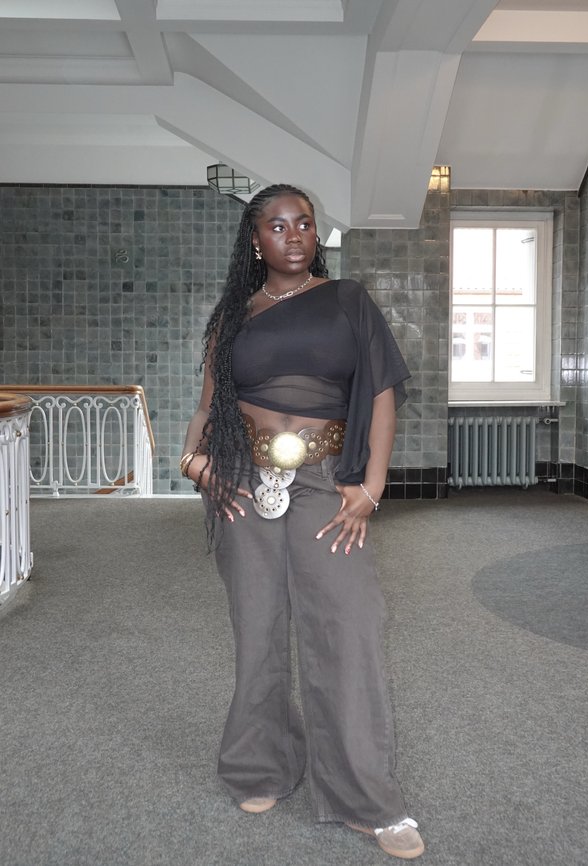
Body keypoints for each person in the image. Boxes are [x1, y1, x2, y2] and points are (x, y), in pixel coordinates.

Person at [180, 184, 424, 860]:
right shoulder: (233, 315)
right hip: (241, 482)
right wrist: (196, 462)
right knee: (257, 627)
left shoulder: (348, 302)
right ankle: (261, 766)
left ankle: (363, 798)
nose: (294, 235)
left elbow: (379, 397)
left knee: (349, 628)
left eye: (306, 223)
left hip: (326, 484)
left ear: (317, 235)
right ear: (254, 240)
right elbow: (207, 407)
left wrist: (370, 488)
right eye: (277, 225)